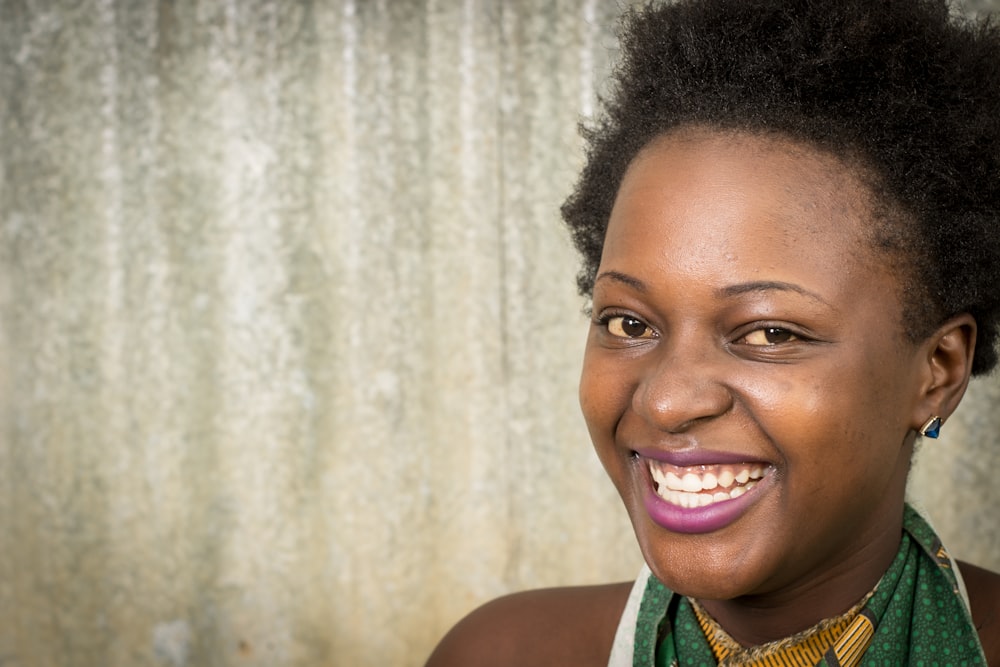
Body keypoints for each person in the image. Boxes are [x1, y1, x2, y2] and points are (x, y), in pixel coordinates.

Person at [425, 0, 1000, 664]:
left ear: (939, 370)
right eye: (629, 322)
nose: (667, 400)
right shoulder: (503, 653)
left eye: (769, 334)